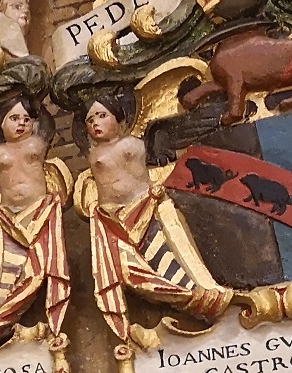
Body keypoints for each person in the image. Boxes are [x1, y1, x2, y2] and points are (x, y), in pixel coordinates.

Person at [80, 99, 228, 333]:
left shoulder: (133, 143)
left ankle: (196, 299)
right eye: (90, 120)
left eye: (102, 115)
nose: (95, 123)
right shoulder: (91, 153)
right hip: (113, 221)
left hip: (145, 209)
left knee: (171, 259)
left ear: (120, 120)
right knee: (130, 273)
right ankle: (185, 298)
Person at [0, 101, 68, 337]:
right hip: (8, 218)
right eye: (14, 118)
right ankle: (0, 313)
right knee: (7, 269)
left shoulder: (38, 144)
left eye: (26, 119)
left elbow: (48, 126)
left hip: (40, 212)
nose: (21, 123)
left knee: (37, 268)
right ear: (1, 124)